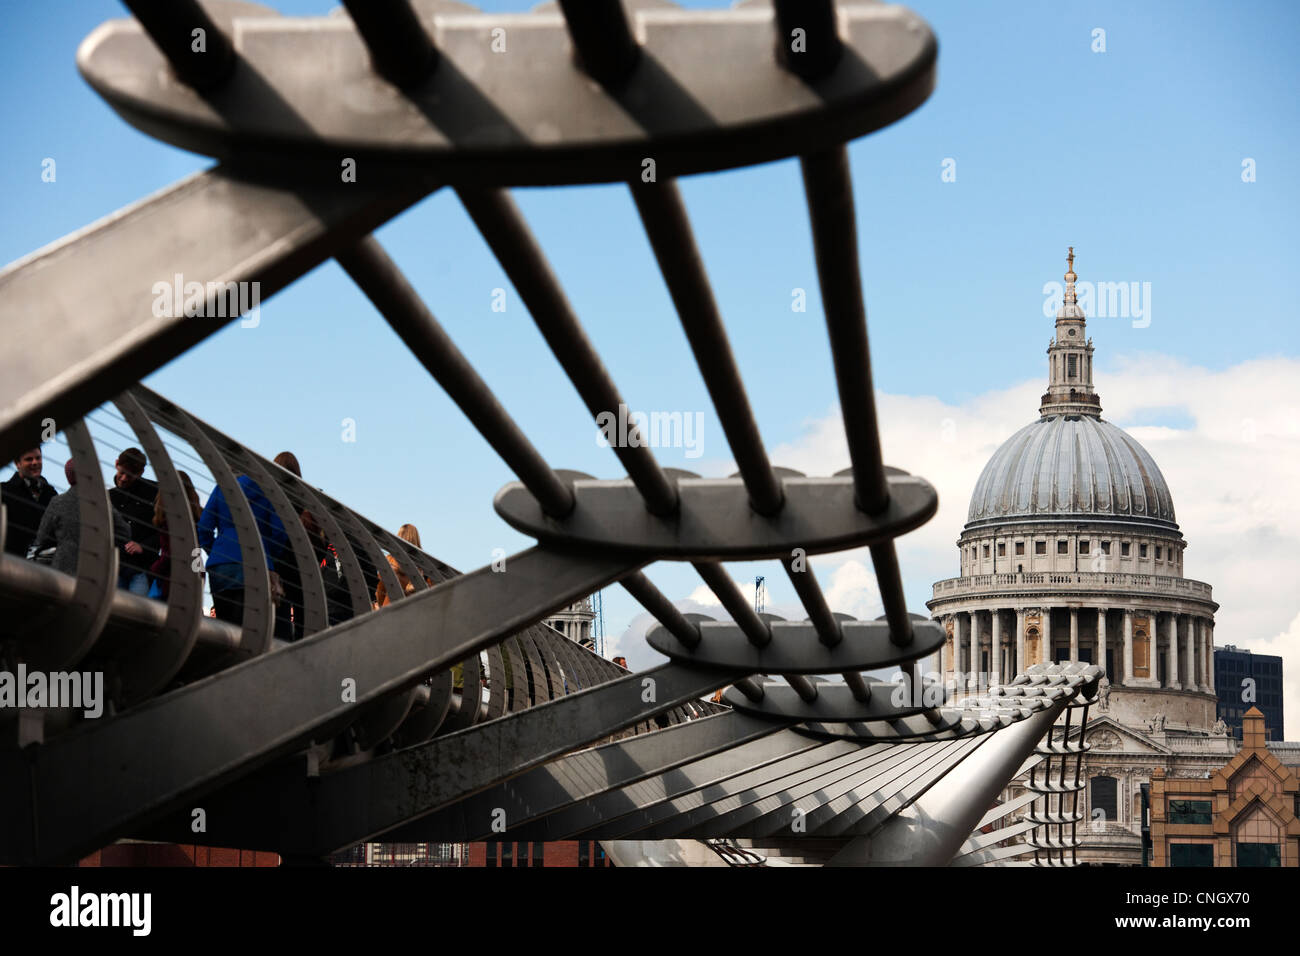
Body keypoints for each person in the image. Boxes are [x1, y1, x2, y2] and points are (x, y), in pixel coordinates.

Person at [196, 472, 288, 625]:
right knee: (252, 628)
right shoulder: (268, 490)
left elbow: (204, 527)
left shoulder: (222, 488)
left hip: (220, 565)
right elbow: (279, 533)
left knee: (224, 626)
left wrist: (218, 551)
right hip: (256, 563)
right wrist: (268, 554)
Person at [31, 459, 130, 575]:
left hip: (63, 566)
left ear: (69, 477)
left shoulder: (58, 502)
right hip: (94, 568)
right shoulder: (101, 503)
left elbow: (41, 537)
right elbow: (125, 531)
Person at [109, 447, 160, 595]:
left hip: (141, 567)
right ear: (116, 464)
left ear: (141, 473)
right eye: (122, 473)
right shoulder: (109, 496)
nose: (124, 479)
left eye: (129, 476)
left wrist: (144, 546)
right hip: (116, 566)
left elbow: (166, 530)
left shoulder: (155, 493)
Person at [147, 471, 203, 600]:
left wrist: (154, 569)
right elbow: (195, 552)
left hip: (171, 577)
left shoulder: (171, 518)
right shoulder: (197, 517)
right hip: (194, 573)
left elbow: (170, 553)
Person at [2, 446, 58, 559]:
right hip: (15, 566)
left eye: (38, 458)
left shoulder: (51, 493)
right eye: (29, 459)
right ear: (17, 464)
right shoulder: (4, 492)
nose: (35, 462)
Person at [374, 523, 434, 606]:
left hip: (390, 608)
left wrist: (380, 605)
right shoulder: (424, 564)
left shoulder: (390, 560)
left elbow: (379, 590)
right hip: (414, 610)